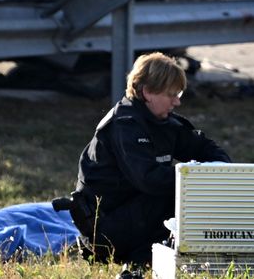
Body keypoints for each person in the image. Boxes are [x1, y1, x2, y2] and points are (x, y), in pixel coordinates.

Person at [69, 52, 230, 267]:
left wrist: (222, 169)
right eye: (171, 94)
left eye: (179, 93)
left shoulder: (161, 121)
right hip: (107, 227)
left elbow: (202, 147)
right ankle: (140, 260)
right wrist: (198, 177)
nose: (178, 101)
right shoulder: (124, 126)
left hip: (132, 214)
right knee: (177, 194)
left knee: (185, 189)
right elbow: (150, 180)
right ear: (147, 92)